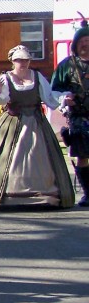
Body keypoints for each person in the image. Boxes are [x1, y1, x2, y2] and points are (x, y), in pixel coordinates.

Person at [0, 45, 74, 209]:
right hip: (12, 123)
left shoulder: (37, 77)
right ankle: (7, 196)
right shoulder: (5, 78)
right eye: (18, 60)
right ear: (12, 61)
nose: (22, 63)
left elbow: (50, 99)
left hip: (36, 123)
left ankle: (46, 195)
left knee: (38, 156)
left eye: (25, 60)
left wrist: (64, 102)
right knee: (7, 157)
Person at [52, 24, 89, 206]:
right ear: (76, 44)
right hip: (78, 117)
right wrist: (65, 98)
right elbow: (54, 90)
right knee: (82, 156)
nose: (86, 45)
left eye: (88, 41)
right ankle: (88, 193)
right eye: (82, 41)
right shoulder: (67, 65)